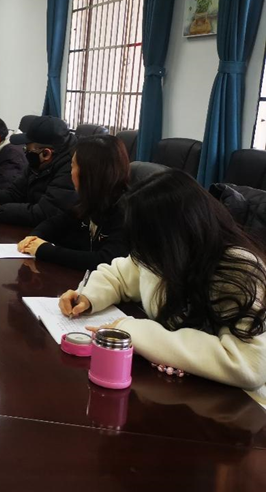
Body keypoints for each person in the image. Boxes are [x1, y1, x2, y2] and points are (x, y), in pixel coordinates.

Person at [60, 169, 266, 399]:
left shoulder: (238, 270)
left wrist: (133, 331)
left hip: (231, 404)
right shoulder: (161, 255)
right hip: (171, 388)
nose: (141, 253)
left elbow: (248, 365)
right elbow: (120, 274)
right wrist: (89, 297)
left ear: (172, 237)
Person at [18, 134, 129, 271]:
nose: (70, 173)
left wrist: (44, 250)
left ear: (89, 173)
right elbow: (56, 223)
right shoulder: (91, 199)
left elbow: (105, 260)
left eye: (73, 166)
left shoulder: (126, 211)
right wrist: (34, 237)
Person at [0, 115, 77, 226]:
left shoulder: (71, 169)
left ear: (46, 154)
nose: (24, 153)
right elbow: (14, 193)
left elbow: (44, 213)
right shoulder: (38, 162)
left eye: (27, 150)